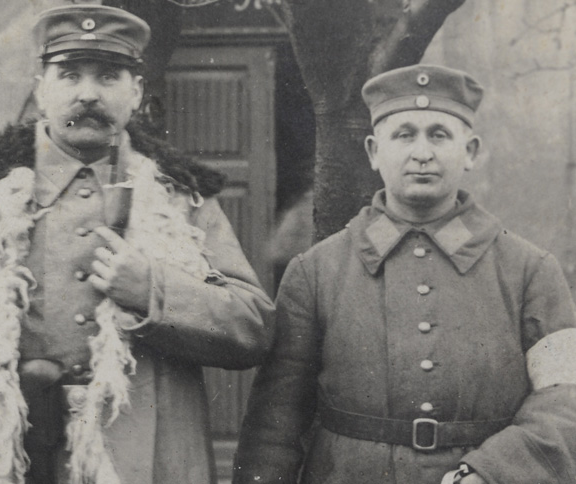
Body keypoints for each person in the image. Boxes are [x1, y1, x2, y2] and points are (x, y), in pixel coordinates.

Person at [0, 5, 275, 484]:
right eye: (70, 74)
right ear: (41, 88)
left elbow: (252, 326)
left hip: (141, 462)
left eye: (109, 76)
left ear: (136, 92)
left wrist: (153, 290)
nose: (88, 94)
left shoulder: (180, 200)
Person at [233, 64, 576, 484]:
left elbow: (565, 400)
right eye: (404, 134)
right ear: (374, 151)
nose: (422, 153)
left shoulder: (531, 271)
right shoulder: (316, 272)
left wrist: (494, 472)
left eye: (438, 134)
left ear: (470, 151)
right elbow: (275, 425)